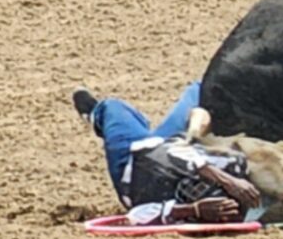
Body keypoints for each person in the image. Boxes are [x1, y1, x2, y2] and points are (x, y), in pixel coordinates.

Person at [71, 81, 261, 225]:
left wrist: (192, 210)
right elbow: (179, 151)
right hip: (171, 147)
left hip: (131, 162)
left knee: (113, 108)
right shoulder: (233, 167)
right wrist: (227, 180)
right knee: (200, 90)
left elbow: (136, 216)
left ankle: (96, 114)